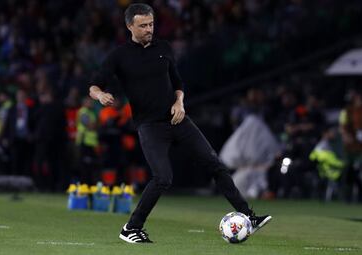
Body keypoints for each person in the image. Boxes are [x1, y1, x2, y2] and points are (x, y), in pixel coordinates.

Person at [89, 3, 272, 243]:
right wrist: (101, 95)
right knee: (163, 178)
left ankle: (248, 216)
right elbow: (93, 86)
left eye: (151, 24)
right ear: (129, 26)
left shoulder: (163, 48)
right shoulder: (119, 56)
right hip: (150, 125)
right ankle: (131, 228)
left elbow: (177, 84)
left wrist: (180, 103)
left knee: (215, 164)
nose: (149, 29)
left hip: (178, 119)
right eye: (143, 25)